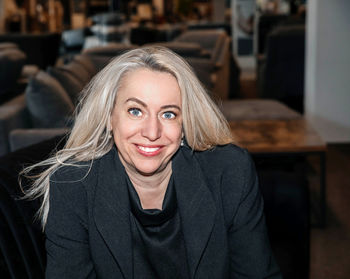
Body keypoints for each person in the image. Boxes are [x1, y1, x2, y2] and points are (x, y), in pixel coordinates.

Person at [23, 46, 281, 278]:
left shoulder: (230, 171)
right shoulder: (72, 185)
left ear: (184, 124)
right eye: (135, 111)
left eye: (168, 114)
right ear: (110, 118)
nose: (152, 131)